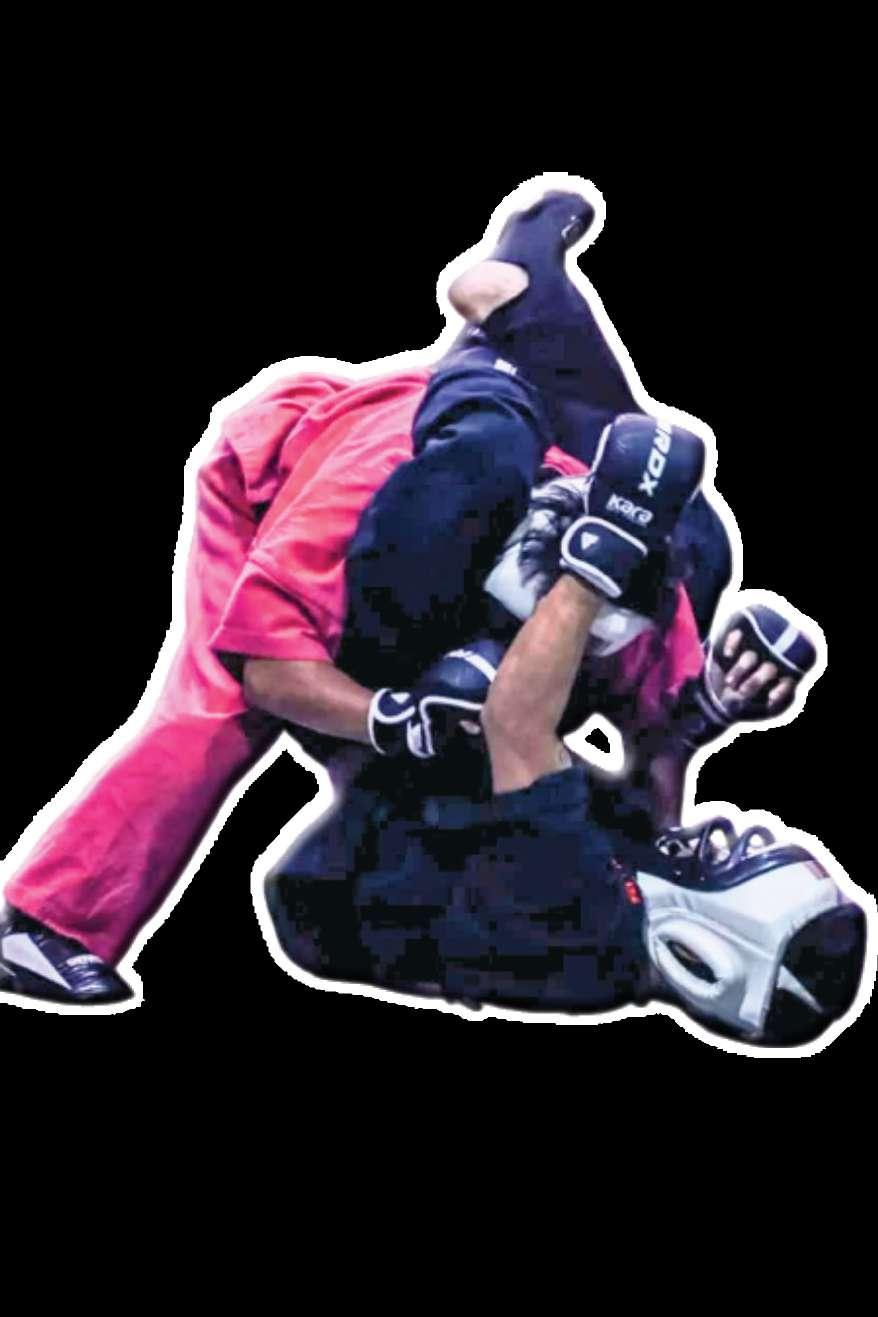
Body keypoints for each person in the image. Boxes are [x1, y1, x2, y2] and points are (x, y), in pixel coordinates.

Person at [0, 187, 733, 1008]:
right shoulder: (357, 496)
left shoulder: (648, 581)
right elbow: (269, 671)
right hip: (288, 470)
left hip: (498, 440)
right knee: (221, 708)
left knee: (608, 435)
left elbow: (653, 750)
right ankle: (45, 923)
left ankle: (515, 298)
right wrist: (388, 716)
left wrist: (692, 742)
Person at [267, 465, 866, 1047]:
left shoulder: (581, 918)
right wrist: (702, 715)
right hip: (440, 808)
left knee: (480, 670)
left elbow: (514, 722)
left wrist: (602, 552)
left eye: (729, 864)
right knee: (697, 547)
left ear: (717, 951)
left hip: (355, 843)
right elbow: (642, 811)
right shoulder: (628, 929)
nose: (721, 835)